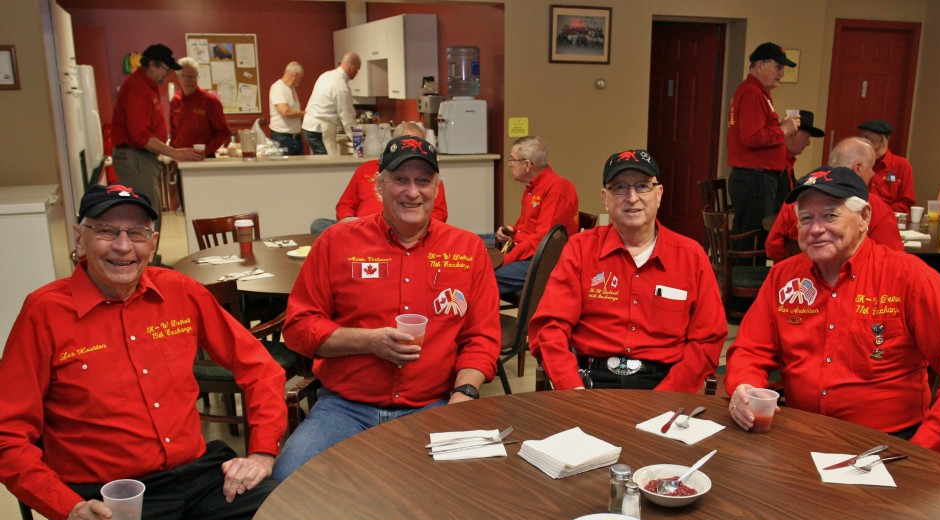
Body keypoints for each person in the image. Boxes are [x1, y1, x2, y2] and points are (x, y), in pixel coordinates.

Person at [0, 184, 286, 520]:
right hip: (105, 498)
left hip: (198, 477)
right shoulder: (44, 312)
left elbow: (260, 368)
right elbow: (7, 437)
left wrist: (261, 452)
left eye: (137, 233)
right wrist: (66, 508)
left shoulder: (179, 292)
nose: (123, 246)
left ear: (153, 242)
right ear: (79, 238)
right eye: (106, 231)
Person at [726, 166, 940, 454]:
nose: (816, 229)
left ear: (864, 217)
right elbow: (750, 350)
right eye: (806, 218)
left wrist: (927, 446)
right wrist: (745, 386)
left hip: (887, 443)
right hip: (799, 434)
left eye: (830, 215)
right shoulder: (783, 277)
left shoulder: (907, 276)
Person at [273, 136, 501, 480]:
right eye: (400, 180)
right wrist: (368, 341)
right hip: (345, 407)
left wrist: (464, 396)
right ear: (379, 186)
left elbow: (482, 337)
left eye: (423, 181)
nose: (413, 192)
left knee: (472, 487)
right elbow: (298, 327)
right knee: (288, 478)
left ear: (437, 188)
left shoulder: (467, 249)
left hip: (434, 405)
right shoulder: (336, 242)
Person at [529, 149, 727, 391]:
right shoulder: (580, 249)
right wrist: (572, 389)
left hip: (664, 384)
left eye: (643, 186)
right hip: (589, 382)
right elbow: (550, 328)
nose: (632, 198)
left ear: (659, 194)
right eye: (620, 188)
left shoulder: (691, 256)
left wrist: (668, 396)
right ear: (605, 198)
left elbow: (708, 339)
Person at [110, 43, 204, 243]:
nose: (168, 75)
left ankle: (149, 258)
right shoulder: (137, 88)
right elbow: (140, 136)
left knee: (150, 213)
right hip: (135, 157)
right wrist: (175, 153)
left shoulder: (149, 87)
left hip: (142, 158)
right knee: (146, 216)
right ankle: (146, 260)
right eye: (166, 70)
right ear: (152, 65)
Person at [765, 137, 902, 262]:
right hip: (855, 278)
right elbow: (891, 260)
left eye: (831, 216)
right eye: (871, 167)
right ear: (858, 168)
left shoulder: (800, 197)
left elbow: (772, 246)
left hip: (798, 277)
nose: (872, 173)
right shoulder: (873, 206)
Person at [310, 121, 450, 234]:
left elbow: (440, 213)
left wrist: (410, 223)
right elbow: (345, 204)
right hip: (361, 227)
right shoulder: (366, 168)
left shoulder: (430, 176)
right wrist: (349, 221)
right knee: (319, 224)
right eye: (400, 179)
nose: (412, 148)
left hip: (403, 229)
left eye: (418, 143)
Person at [727, 42, 800, 238]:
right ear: (760, 65)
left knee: (756, 234)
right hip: (755, 179)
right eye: (778, 67)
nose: (781, 74)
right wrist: (783, 130)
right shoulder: (752, 92)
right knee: (754, 237)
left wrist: (779, 128)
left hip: (757, 178)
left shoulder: (758, 92)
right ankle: (748, 262)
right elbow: (751, 137)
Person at [494, 136, 580, 297]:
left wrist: (506, 259)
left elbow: (543, 240)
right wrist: (511, 231)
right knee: (473, 251)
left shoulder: (557, 189)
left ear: (527, 165)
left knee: (482, 274)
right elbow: (526, 227)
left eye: (512, 159)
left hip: (543, 262)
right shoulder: (532, 188)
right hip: (526, 252)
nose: (510, 164)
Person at [169, 57, 231, 158]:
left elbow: (224, 132)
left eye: (193, 76)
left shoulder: (210, 101)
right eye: (186, 76)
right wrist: (172, 151)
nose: (190, 80)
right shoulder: (175, 101)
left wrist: (205, 151)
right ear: (178, 77)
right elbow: (173, 131)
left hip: (203, 159)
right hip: (180, 158)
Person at [302, 52, 361, 155]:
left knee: (321, 160)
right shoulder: (341, 86)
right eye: (357, 69)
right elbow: (347, 117)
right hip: (320, 128)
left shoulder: (326, 75)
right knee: (327, 161)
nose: (357, 73)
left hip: (309, 125)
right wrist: (359, 142)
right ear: (352, 67)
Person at [857, 119, 915, 214]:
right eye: (861, 137)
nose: (862, 142)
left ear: (882, 140)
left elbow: (906, 204)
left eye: (867, 138)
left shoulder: (901, 165)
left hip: (888, 215)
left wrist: (880, 211)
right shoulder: (857, 162)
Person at [777, 109, 825, 206]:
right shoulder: (775, 161)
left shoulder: (788, 161)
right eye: (807, 137)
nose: (808, 143)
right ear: (794, 134)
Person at [268, 61, 305, 155]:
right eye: (300, 77)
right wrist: (305, 114)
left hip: (295, 138)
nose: (300, 80)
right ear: (295, 75)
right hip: (281, 139)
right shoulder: (278, 87)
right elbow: (285, 111)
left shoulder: (292, 89)